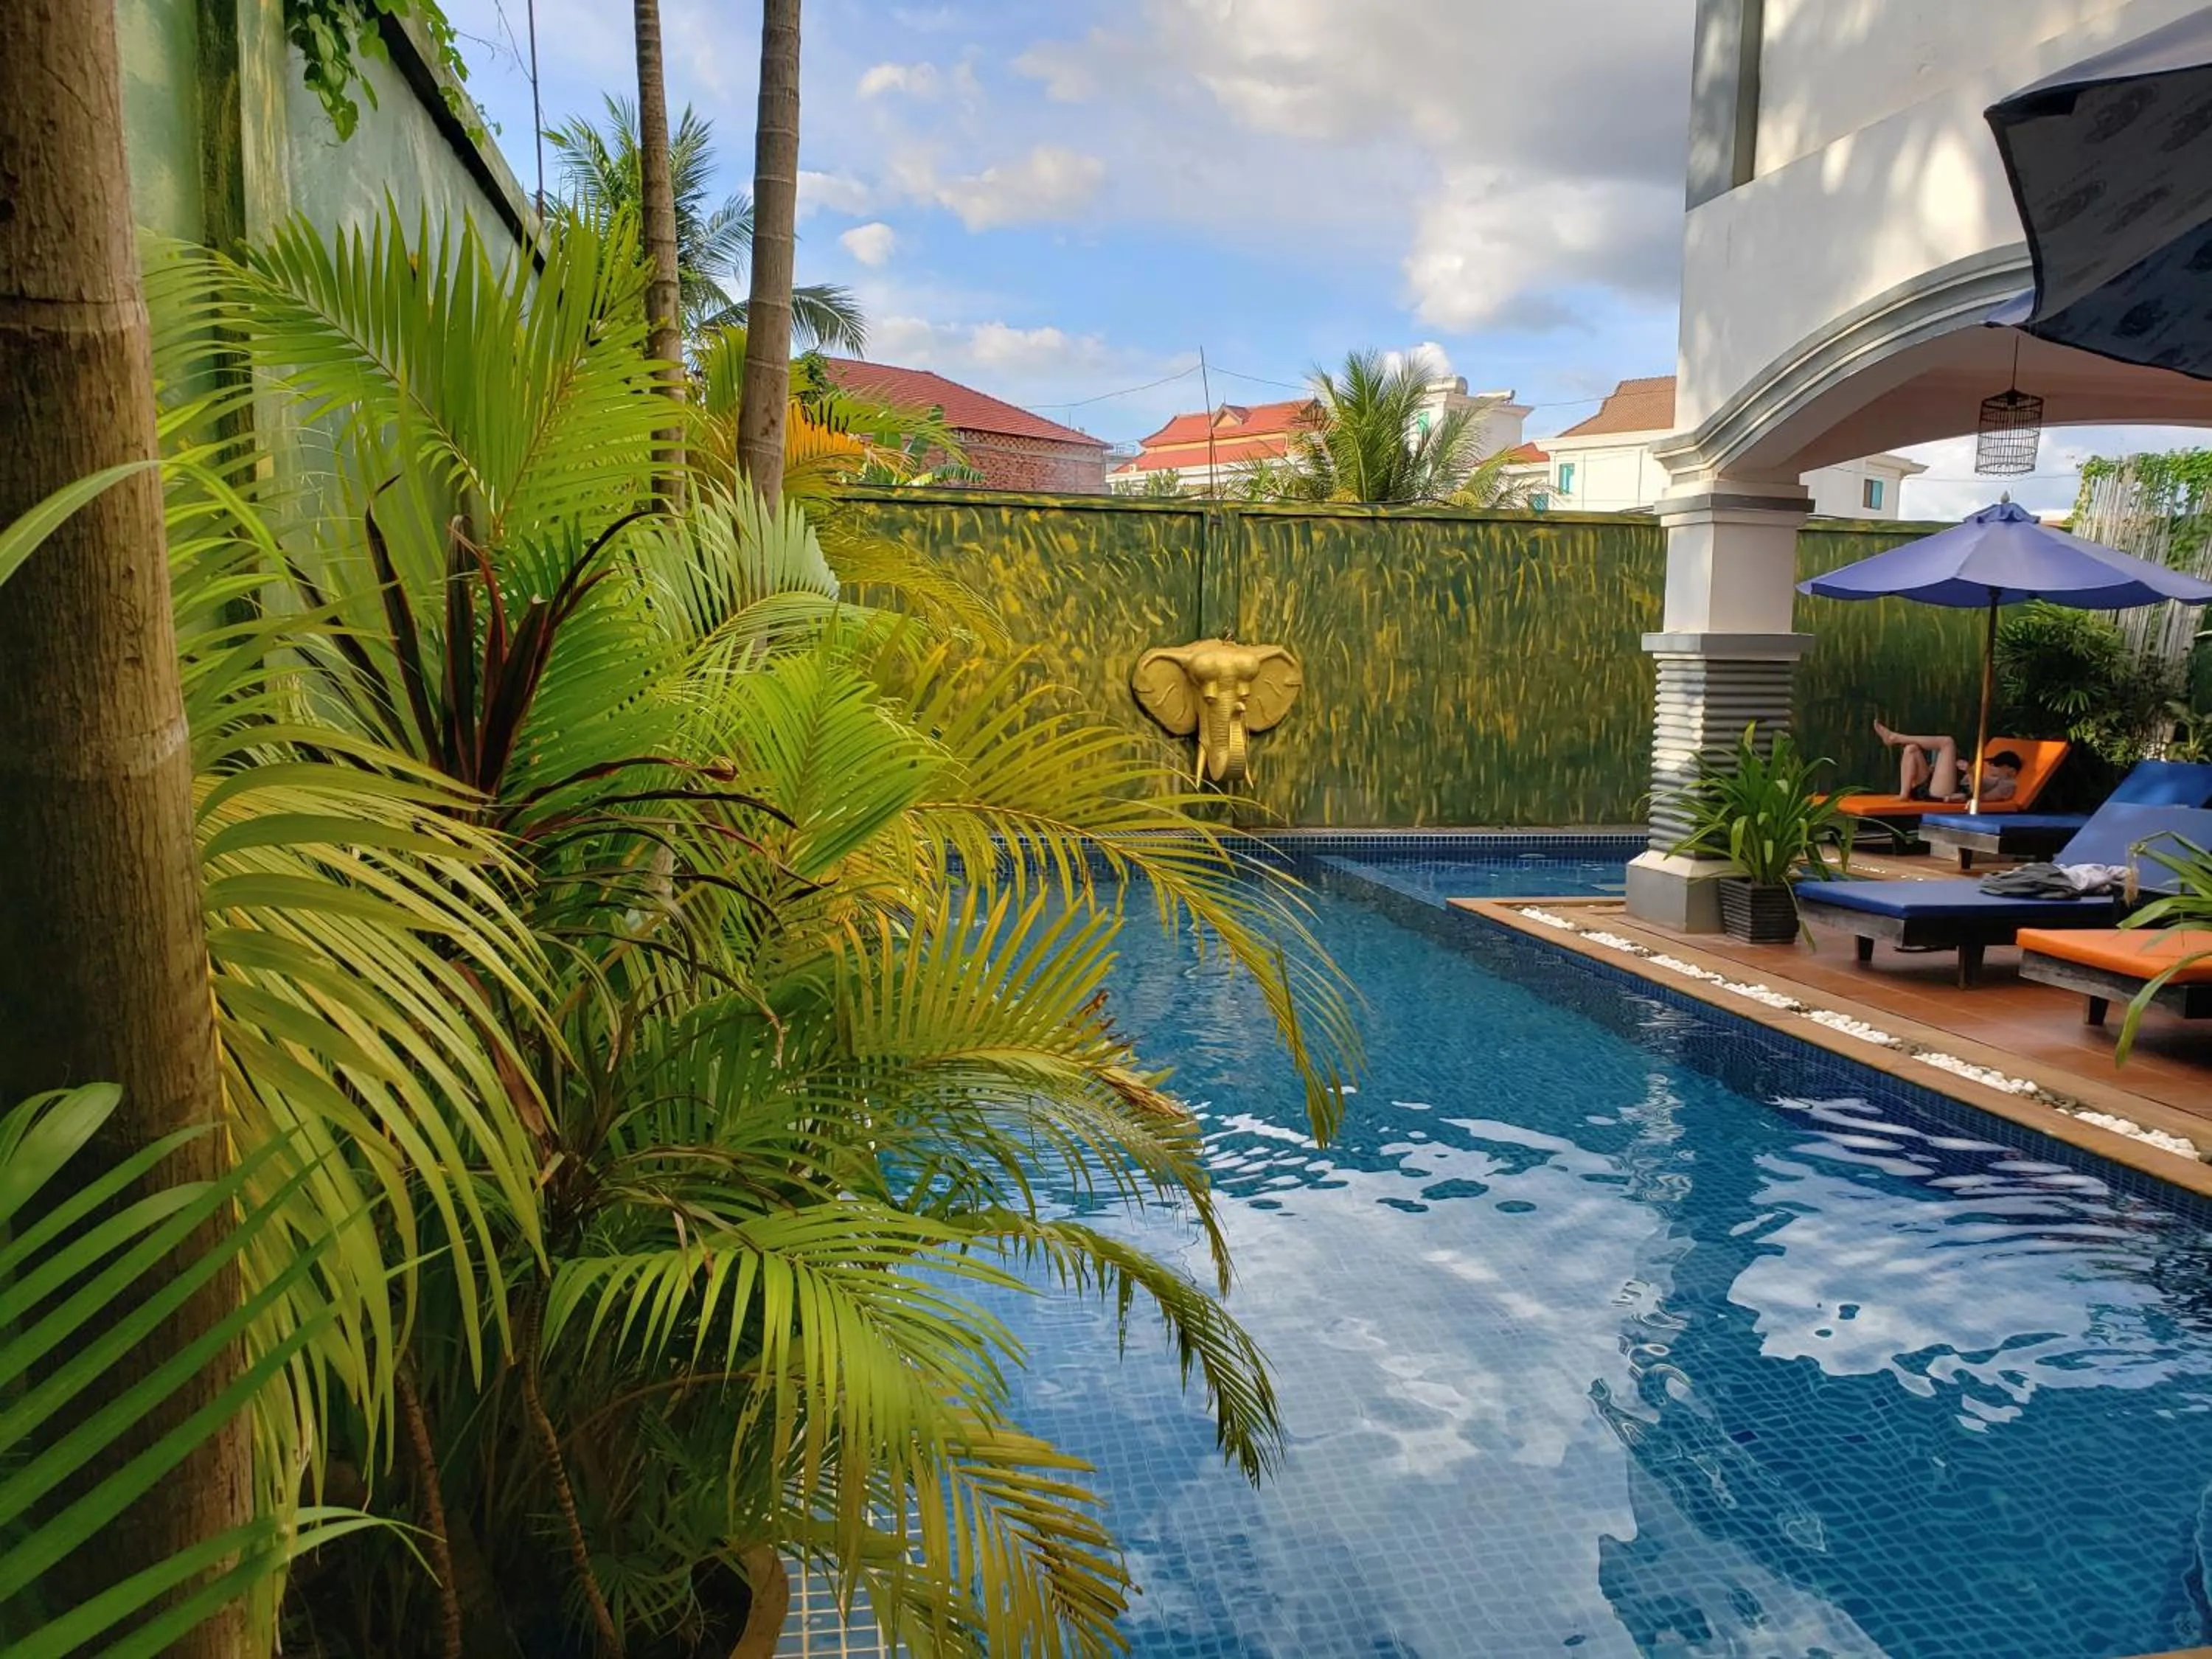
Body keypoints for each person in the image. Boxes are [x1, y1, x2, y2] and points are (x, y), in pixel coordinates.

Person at [1874, 721, 2023, 803]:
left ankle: (1896, 738)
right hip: (1939, 787)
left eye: (1997, 764)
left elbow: (1979, 799)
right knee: (1911, 749)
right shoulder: (1991, 778)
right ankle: (1904, 794)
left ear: (2011, 771)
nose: (1991, 767)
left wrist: (1970, 773)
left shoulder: (2008, 785)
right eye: (1991, 763)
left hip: (1947, 795)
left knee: (1948, 742)